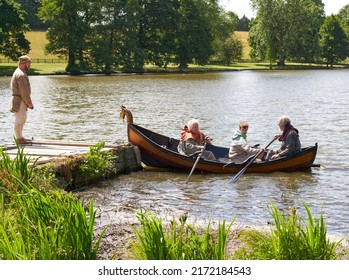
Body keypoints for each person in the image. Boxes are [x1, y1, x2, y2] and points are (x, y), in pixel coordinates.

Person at [10, 55, 34, 144]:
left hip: (20, 99)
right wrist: (29, 102)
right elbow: (24, 91)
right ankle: (19, 139)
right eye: (29, 63)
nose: (29, 65)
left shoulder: (19, 73)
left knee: (22, 119)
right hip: (20, 100)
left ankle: (20, 137)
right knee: (20, 119)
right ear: (24, 63)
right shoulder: (21, 75)